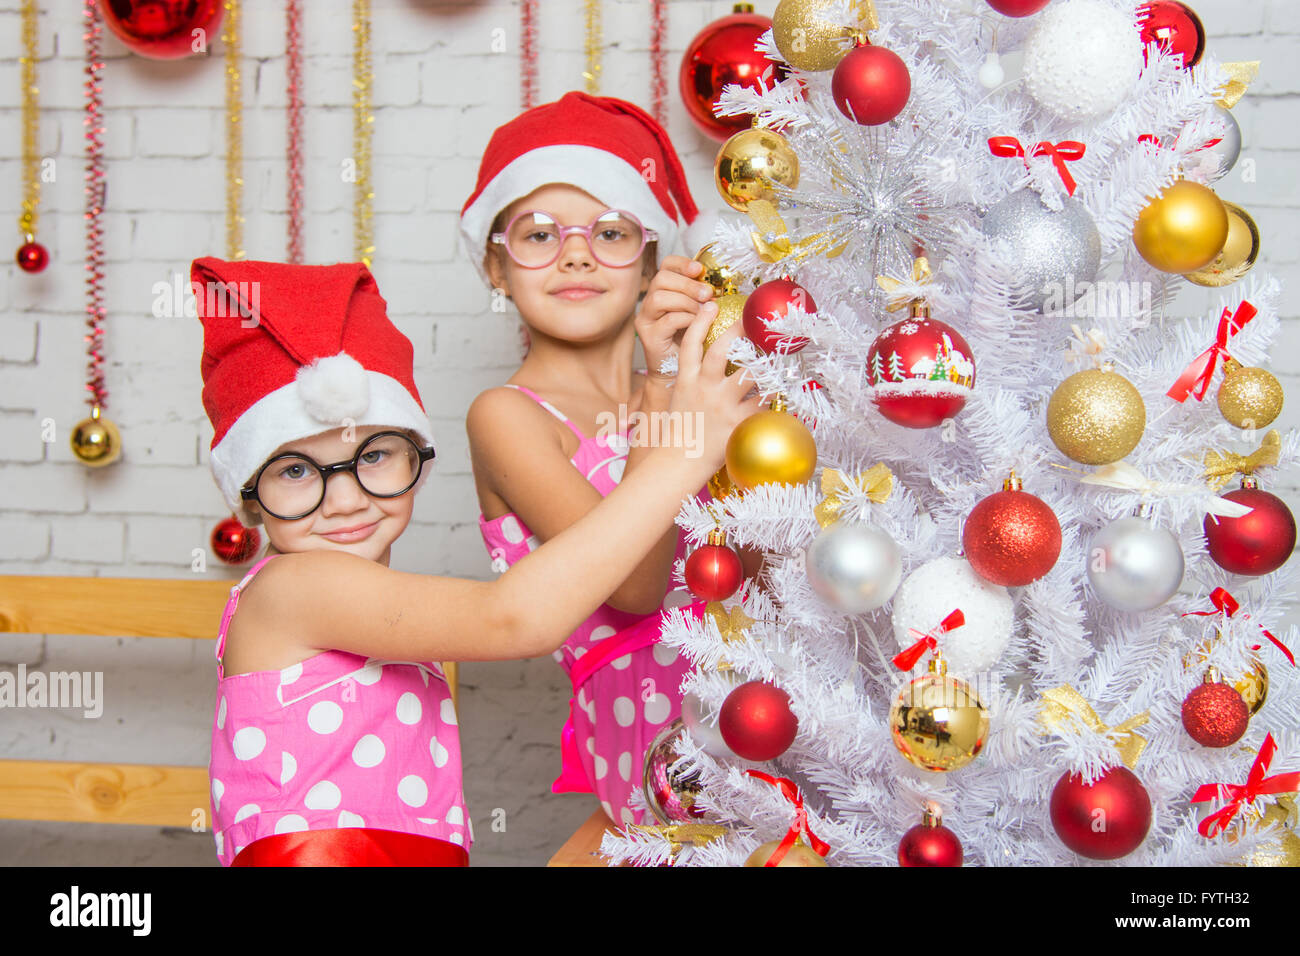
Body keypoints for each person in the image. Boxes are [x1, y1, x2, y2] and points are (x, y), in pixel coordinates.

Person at [194, 254, 758, 866]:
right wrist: (689, 456)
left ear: (416, 459)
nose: (347, 497)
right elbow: (511, 618)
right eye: (297, 470)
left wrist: (660, 380)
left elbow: (636, 574)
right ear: (249, 496)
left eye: (375, 455)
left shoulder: (360, 595)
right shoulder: (294, 587)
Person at [461, 92, 762, 826]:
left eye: (610, 232)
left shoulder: (686, 393)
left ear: (651, 261)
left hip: (759, 688)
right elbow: (636, 585)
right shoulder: (508, 418)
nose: (574, 252)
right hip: (650, 724)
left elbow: (758, 544)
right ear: (497, 270)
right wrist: (664, 394)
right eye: (537, 235)